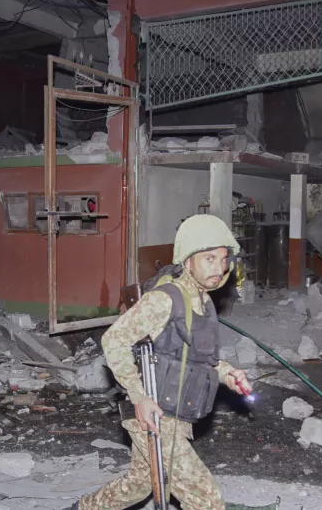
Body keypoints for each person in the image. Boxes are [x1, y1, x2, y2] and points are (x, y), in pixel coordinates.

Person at [68, 214, 252, 510]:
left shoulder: (203, 302)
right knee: (206, 500)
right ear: (188, 260)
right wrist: (139, 398)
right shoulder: (166, 299)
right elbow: (114, 341)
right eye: (209, 258)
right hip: (154, 415)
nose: (219, 268)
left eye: (223, 259)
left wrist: (228, 374)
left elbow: (198, 360)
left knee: (138, 484)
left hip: (176, 413)